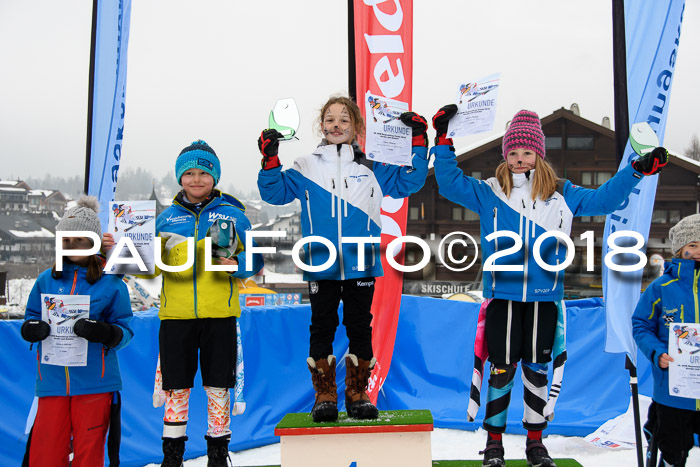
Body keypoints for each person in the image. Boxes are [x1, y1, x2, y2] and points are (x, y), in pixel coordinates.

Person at [431, 105, 669, 467]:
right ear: (504, 155)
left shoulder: (563, 193)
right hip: (503, 298)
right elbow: (448, 182)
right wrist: (443, 140)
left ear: (539, 154)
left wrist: (635, 171)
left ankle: (535, 443)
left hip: (546, 300)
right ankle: (493, 443)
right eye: (512, 152)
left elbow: (605, 200)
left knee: (537, 370)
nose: (519, 159)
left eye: (526, 152)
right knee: (502, 368)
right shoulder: (490, 190)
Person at [257, 95, 429, 422]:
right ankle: (324, 395)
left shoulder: (374, 166)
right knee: (321, 326)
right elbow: (274, 193)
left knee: (359, 326)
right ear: (321, 126)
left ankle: (357, 393)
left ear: (356, 127)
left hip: (360, 259)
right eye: (330, 119)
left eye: (344, 120)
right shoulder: (306, 165)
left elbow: (411, 180)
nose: (336, 125)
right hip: (320, 260)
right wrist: (269, 158)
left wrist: (419, 143)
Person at [104, 139, 263, 466]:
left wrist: (234, 262)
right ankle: (172, 457)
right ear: (179, 177)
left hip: (220, 315)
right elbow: (144, 267)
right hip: (175, 317)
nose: (196, 179)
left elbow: (255, 264)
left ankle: (218, 454)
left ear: (215, 177)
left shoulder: (232, 215)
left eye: (203, 173)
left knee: (218, 387)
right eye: (188, 173)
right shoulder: (163, 220)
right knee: (176, 389)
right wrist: (116, 247)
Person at [21, 196, 134, 466]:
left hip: (95, 383)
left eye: (80, 239)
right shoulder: (46, 279)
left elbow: (125, 331)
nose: (72, 246)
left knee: (88, 453)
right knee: (46, 454)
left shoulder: (111, 283)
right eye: (66, 240)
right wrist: (32, 329)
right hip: (52, 383)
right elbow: (31, 319)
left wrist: (105, 332)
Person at [633, 213, 700, 467]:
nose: (697, 251)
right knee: (673, 451)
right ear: (680, 249)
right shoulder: (661, 287)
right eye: (692, 245)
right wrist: (657, 352)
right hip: (673, 391)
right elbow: (641, 325)